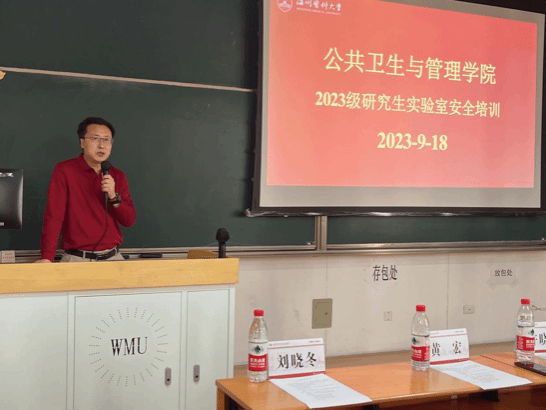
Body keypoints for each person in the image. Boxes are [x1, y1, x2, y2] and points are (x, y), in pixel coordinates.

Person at [36, 117, 136, 262]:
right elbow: (54, 216)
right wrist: (47, 257)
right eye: (95, 139)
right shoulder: (65, 170)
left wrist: (113, 196)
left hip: (113, 258)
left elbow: (129, 220)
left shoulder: (117, 175)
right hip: (77, 258)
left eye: (106, 140)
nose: (101, 145)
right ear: (82, 142)